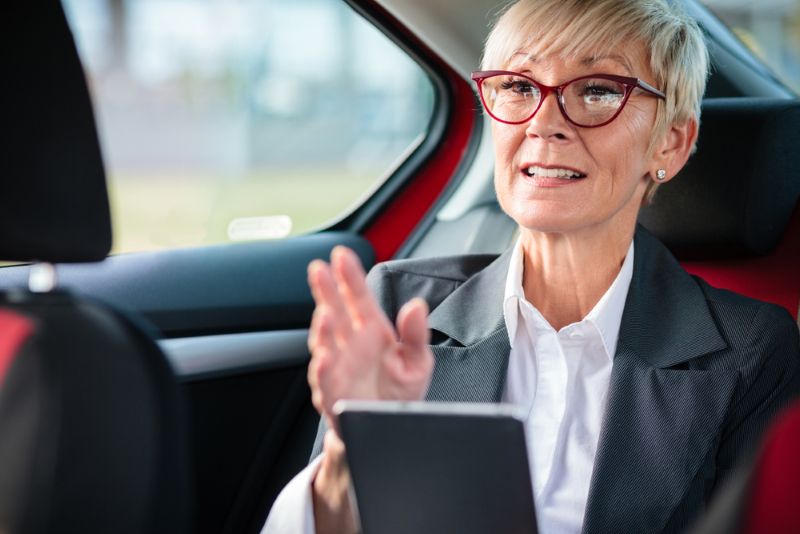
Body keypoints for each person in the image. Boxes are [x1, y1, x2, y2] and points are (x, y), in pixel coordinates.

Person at [263, 0, 800, 532]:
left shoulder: (752, 352)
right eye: (519, 87)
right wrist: (344, 452)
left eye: (598, 91)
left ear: (671, 142)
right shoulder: (401, 306)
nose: (544, 124)